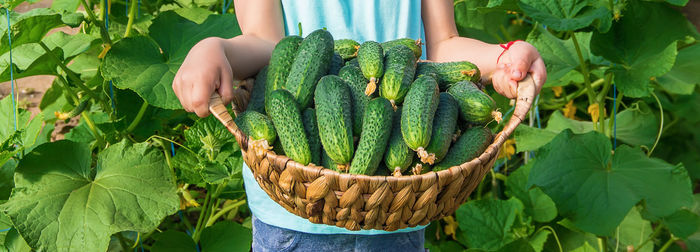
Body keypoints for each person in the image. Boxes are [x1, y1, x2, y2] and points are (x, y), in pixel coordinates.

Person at [172, 0, 546, 251]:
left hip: (396, 202)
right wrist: (214, 47)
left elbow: (444, 45)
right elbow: (267, 44)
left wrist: (503, 58)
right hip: (294, 213)